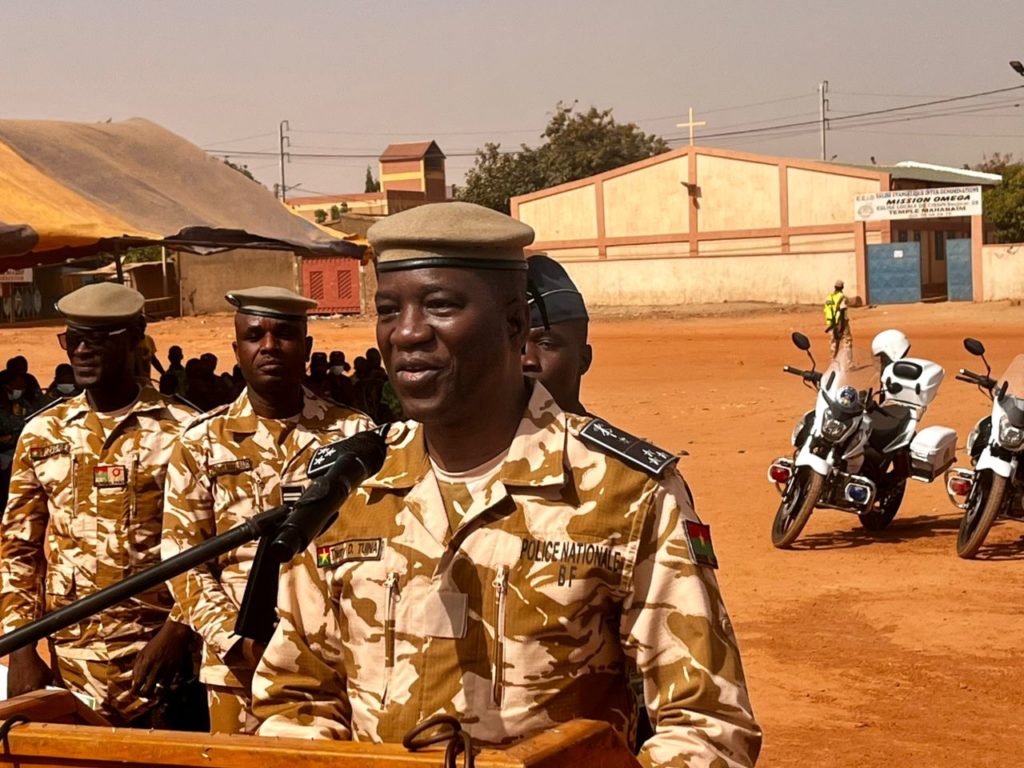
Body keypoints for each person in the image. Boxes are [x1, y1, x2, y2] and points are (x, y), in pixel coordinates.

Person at [251, 202, 761, 767]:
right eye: (389, 310)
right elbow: (296, 701)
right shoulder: (349, 490)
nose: (408, 334)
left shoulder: (624, 492)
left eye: (441, 306)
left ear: (515, 325)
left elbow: (707, 727)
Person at [161, 286, 375, 735]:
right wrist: (235, 641)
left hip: (332, 663)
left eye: (285, 335)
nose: (270, 346)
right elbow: (183, 559)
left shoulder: (356, 436)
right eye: (255, 335)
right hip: (237, 671)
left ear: (308, 347)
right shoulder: (200, 442)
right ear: (236, 349)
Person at [0, 282, 201, 728]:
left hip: (159, 666)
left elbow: (209, 549)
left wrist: (178, 631)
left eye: (99, 338)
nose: (82, 351)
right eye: (73, 340)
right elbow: (18, 550)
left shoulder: (187, 432)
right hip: (68, 667)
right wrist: (21, 649)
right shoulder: (43, 433)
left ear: (135, 340)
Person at [522, 254, 592, 416]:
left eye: (546, 344)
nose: (526, 360)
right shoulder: (481, 440)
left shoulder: (588, 442)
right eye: (515, 344)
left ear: (584, 360)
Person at [824, 279, 853, 361]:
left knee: (833, 342)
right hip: (840, 322)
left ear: (835, 287)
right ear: (842, 287)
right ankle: (848, 363)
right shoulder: (842, 298)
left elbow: (828, 311)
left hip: (830, 324)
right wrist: (842, 326)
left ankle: (833, 361)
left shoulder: (829, 298)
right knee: (847, 341)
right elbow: (842, 311)